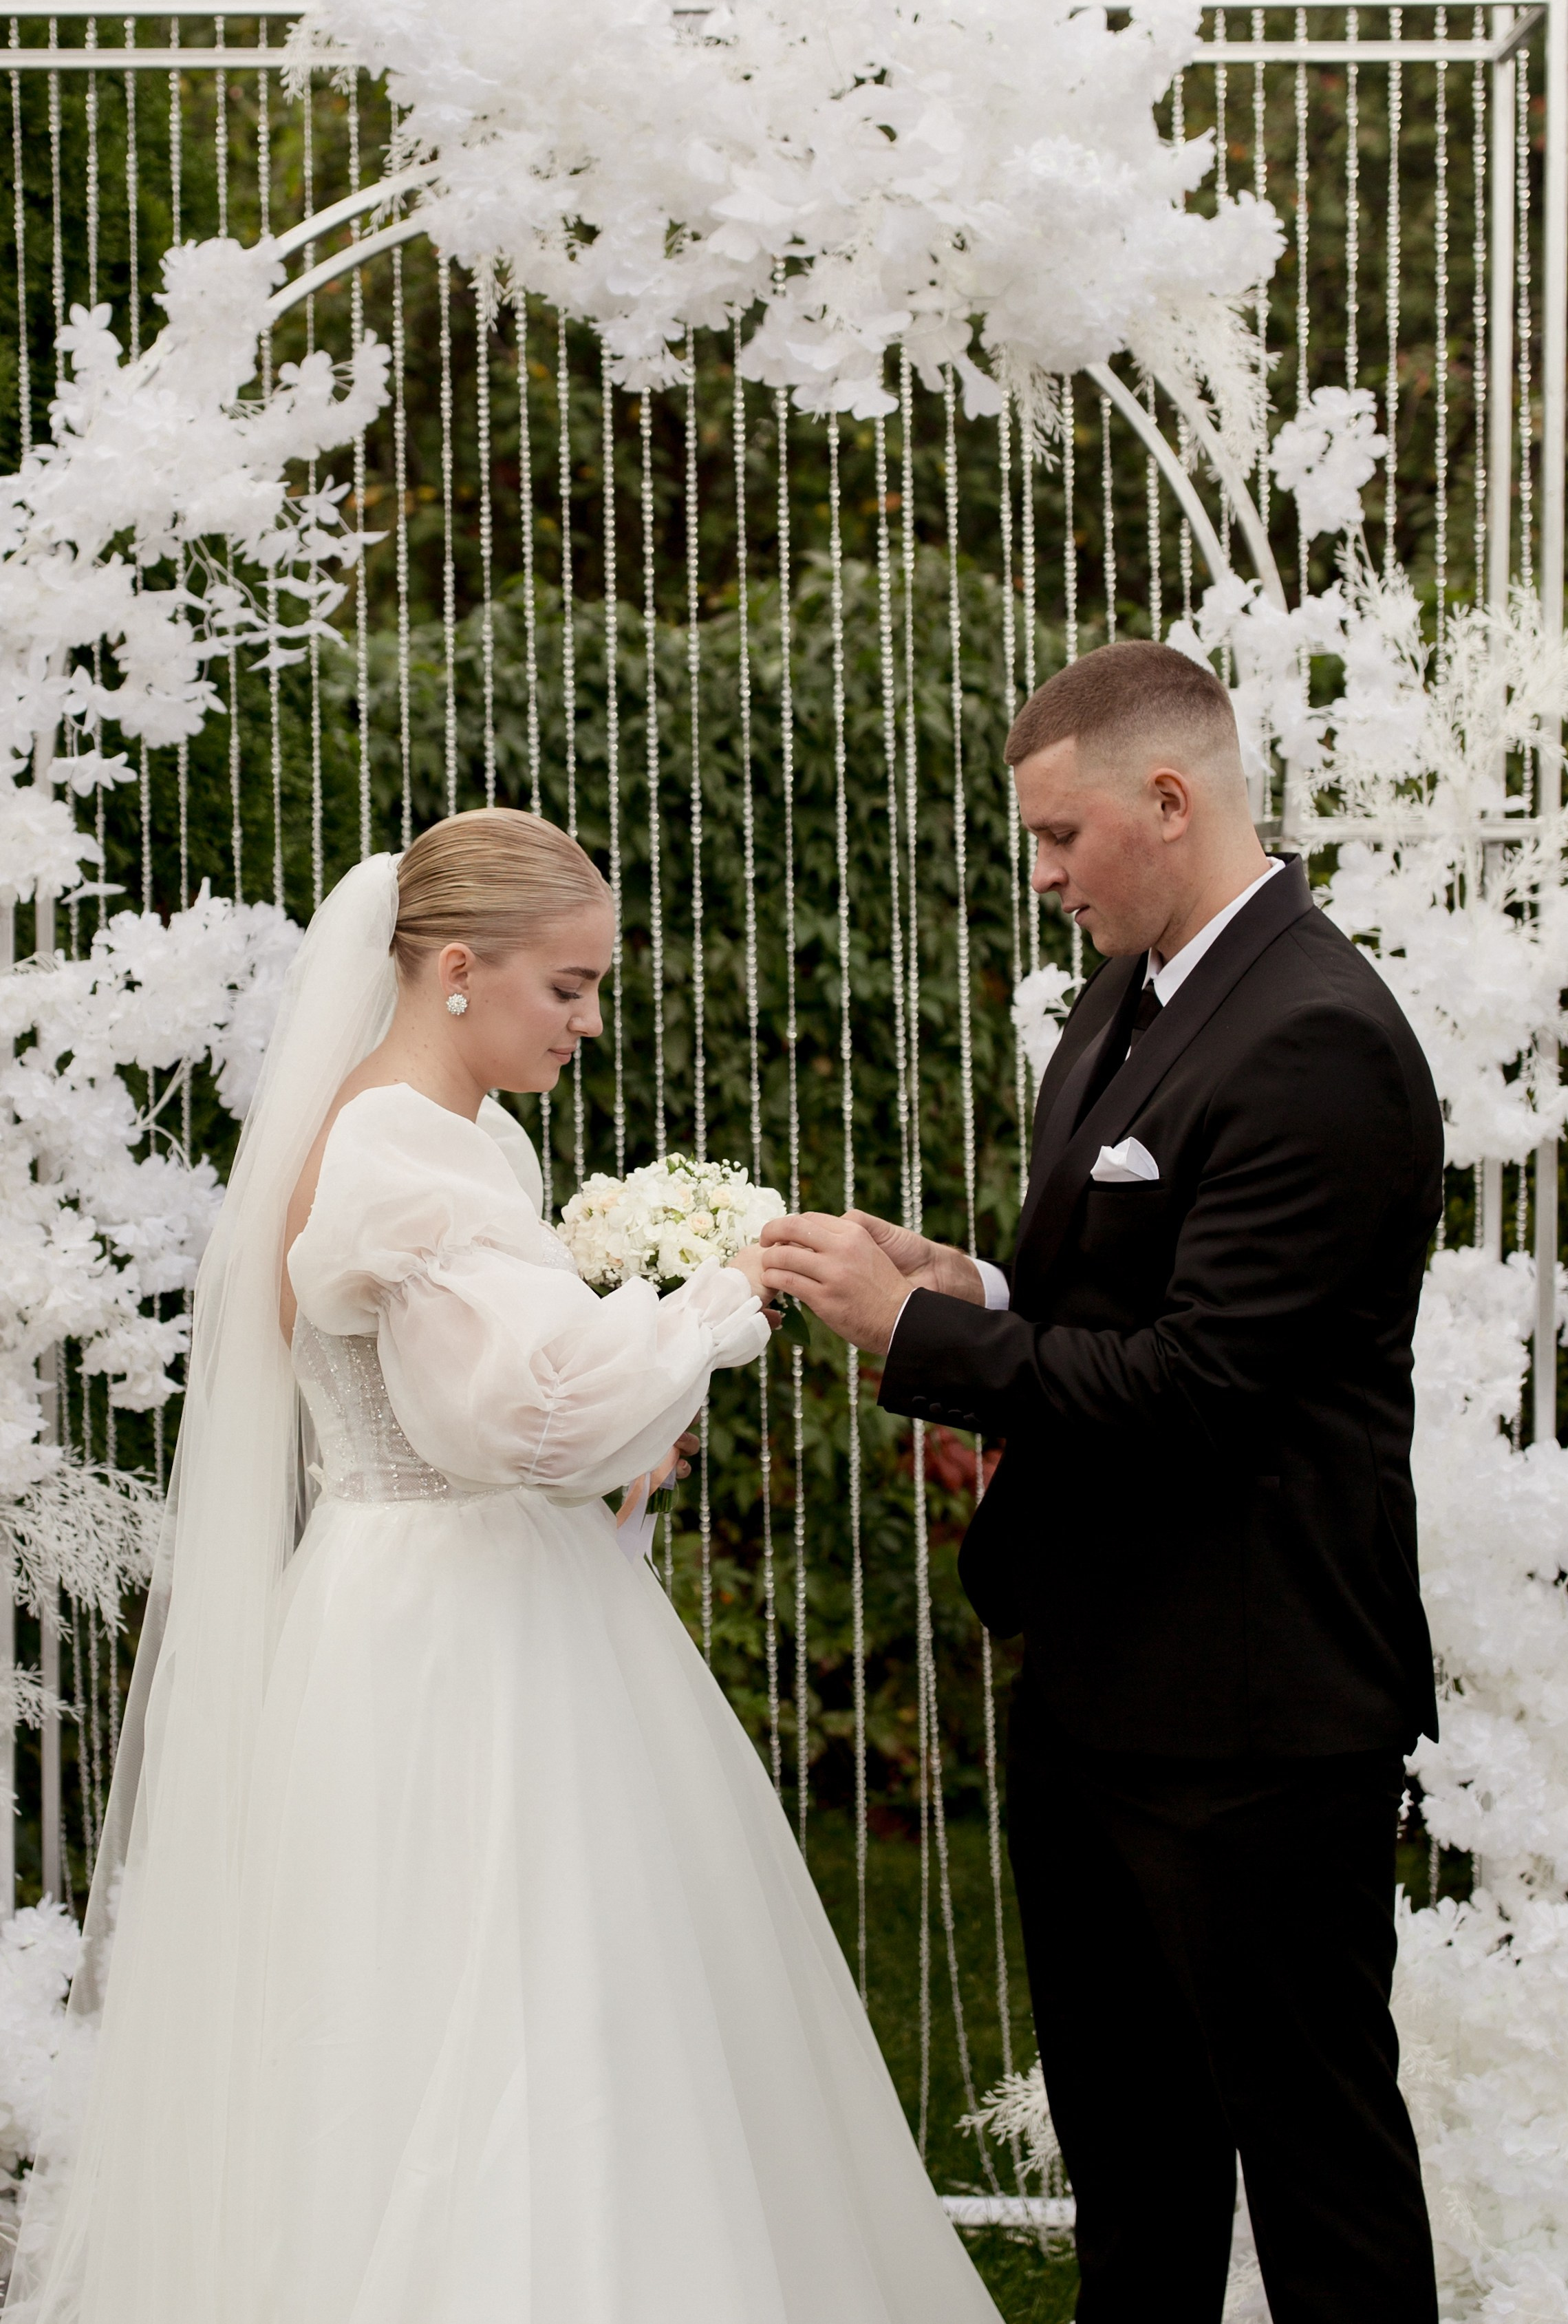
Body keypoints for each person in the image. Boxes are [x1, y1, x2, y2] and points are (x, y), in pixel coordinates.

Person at [8, 809, 1002, 2324]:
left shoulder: (452, 1134)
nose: (588, 1023)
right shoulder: (398, 1151)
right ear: (458, 967)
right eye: (569, 987)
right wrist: (712, 1303)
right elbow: (516, 1418)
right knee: (489, 1997)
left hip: (459, 1587)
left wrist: (627, 1413)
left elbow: (491, 1405)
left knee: (551, 1996)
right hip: (447, 1626)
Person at [761, 637, 1443, 2324]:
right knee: (1129, 2166)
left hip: (1255, 1710)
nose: (1045, 876)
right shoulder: (1125, 994)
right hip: (1089, 1678)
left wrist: (917, 1334)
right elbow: (1114, 1301)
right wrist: (972, 1285)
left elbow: (1204, 1389)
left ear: (1168, 797)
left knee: (1315, 2166)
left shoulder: (1315, 1034)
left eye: (1060, 837)